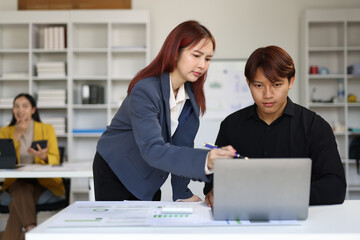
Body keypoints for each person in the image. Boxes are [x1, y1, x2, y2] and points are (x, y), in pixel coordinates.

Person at [93, 20, 236, 202]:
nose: (202, 65)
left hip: (149, 175)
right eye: (196, 55)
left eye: (207, 59)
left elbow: (182, 146)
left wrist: (182, 193)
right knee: (120, 229)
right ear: (175, 53)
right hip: (116, 170)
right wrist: (205, 160)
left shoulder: (191, 99)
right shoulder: (145, 90)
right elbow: (152, 149)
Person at [204, 45, 347, 206]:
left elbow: (335, 187)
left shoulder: (315, 126)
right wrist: (214, 192)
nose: (268, 94)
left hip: (300, 222)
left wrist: (281, 195)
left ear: (290, 82)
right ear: (248, 83)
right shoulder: (231, 125)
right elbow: (212, 181)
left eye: (277, 85)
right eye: (259, 85)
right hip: (243, 219)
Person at [0, 93, 65, 240]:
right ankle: (32, 231)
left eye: (25, 106)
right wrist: (16, 135)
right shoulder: (5, 132)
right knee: (22, 188)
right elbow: (3, 162)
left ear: (33, 110)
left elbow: (56, 159)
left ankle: (24, 233)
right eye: (16, 106)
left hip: (42, 182)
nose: (20, 110)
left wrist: (43, 156)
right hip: (16, 182)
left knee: (20, 196)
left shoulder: (47, 129)